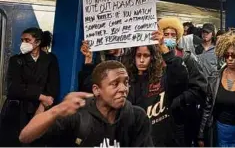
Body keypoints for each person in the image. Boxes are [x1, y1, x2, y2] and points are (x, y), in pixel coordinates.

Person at [18, 61, 153, 147]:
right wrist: (57, 110)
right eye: (115, 83)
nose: (123, 89)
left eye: (126, 82)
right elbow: (25, 137)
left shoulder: (137, 117)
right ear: (96, 89)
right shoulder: (77, 115)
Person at [123, 30, 191, 146]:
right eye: (138, 56)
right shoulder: (126, 82)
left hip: (162, 140)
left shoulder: (162, 77)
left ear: (153, 57)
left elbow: (181, 78)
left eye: (146, 56)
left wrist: (164, 49)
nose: (142, 60)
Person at [0, 27, 60, 146]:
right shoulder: (16, 60)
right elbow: (13, 89)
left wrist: (42, 106)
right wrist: (41, 96)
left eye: (27, 40)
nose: (23, 43)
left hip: (40, 110)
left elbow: (53, 86)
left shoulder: (50, 59)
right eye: (22, 40)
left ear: (37, 42)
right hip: (17, 110)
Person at [158, 17, 208, 146]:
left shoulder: (187, 58)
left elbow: (200, 88)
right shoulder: (154, 60)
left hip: (182, 117)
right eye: (166, 34)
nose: (169, 38)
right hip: (159, 116)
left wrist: (180, 100)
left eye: (173, 35)